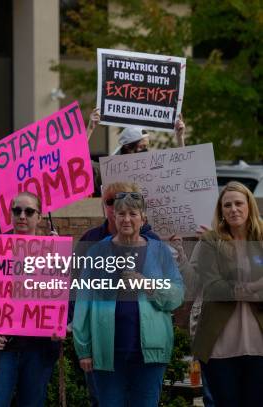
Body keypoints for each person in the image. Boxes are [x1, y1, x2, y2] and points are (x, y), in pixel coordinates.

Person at [73, 192, 184, 407]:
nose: (126, 219)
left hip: (150, 354)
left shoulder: (159, 250)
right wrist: (83, 349)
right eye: (121, 213)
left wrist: (148, 284)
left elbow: (177, 296)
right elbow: (83, 300)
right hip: (106, 354)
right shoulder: (97, 252)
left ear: (143, 219)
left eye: (133, 214)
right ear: (113, 217)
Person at [0, 192, 60, 407]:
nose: (22, 216)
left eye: (29, 211)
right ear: (11, 214)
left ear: (40, 217)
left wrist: (56, 258)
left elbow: (65, 299)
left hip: (38, 348)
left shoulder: (53, 251)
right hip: (2, 347)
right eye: (17, 211)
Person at [191, 181, 263, 406]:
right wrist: (253, 287)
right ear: (220, 210)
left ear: (249, 205)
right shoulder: (211, 241)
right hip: (220, 344)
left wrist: (232, 289)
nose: (234, 209)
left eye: (239, 203)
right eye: (227, 205)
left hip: (259, 343)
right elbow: (213, 287)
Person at [86, 108, 186, 153]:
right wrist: (90, 129)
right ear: (127, 147)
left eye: (146, 146)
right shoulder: (109, 169)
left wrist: (180, 137)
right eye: (142, 147)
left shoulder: (153, 169)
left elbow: (180, 169)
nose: (145, 150)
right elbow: (76, 161)